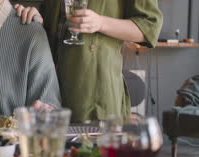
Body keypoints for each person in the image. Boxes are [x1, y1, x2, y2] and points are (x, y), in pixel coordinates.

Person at [14, 1, 163, 121]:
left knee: (90, 156)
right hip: (47, 88)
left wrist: (100, 23)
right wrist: (36, 16)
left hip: (93, 91)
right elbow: (50, 16)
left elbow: (150, 27)